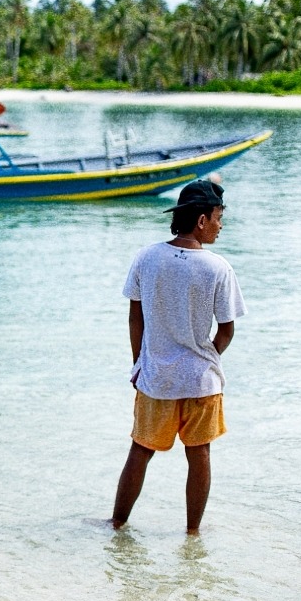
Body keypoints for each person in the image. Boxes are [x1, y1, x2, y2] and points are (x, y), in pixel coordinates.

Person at [111, 179, 246, 534]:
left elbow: (135, 316)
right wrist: (205, 359)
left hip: (156, 377)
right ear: (202, 220)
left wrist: (141, 362)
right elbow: (227, 330)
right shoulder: (218, 268)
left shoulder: (147, 257)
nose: (220, 226)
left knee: (140, 450)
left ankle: (117, 522)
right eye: (218, 218)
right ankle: (192, 533)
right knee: (199, 455)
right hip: (201, 381)